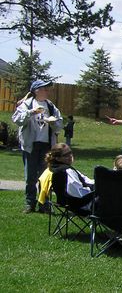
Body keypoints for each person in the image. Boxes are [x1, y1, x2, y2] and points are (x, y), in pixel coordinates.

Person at [12, 79, 64, 214]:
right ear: (36, 91)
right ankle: (30, 203)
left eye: (48, 89)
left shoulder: (51, 106)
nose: (47, 91)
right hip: (31, 145)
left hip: (46, 145)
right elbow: (17, 120)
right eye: (44, 89)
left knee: (45, 176)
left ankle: (44, 204)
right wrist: (31, 112)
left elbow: (59, 124)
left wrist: (53, 122)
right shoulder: (27, 104)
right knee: (30, 177)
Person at [46, 143, 94, 211]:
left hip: (66, 203)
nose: (70, 156)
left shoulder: (52, 168)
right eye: (66, 155)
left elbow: (85, 181)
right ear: (58, 158)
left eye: (70, 153)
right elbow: (78, 194)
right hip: (83, 205)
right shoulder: (66, 171)